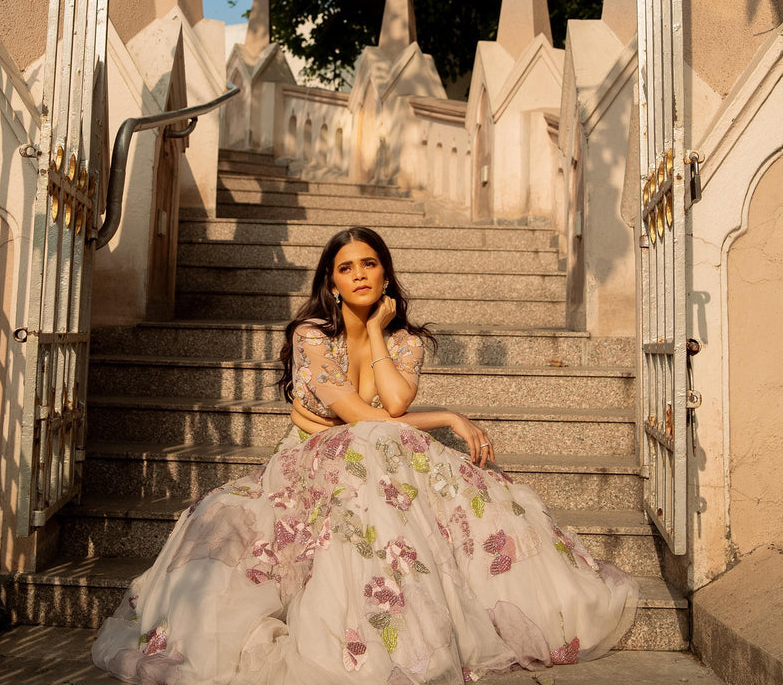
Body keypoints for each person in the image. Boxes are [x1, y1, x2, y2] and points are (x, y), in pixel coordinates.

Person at [92, 226, 637, 685]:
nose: (358, 274)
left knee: (379, 447)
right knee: (370, 442)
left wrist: (377, 332)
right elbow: (357, 412)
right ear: (330, 280)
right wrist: (447, 418)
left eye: (369, 264)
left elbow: (394, 402)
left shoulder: (404, 341)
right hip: (307, 467)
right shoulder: (311, 335)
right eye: (346, 267)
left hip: (373, 458)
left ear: (385, 274)